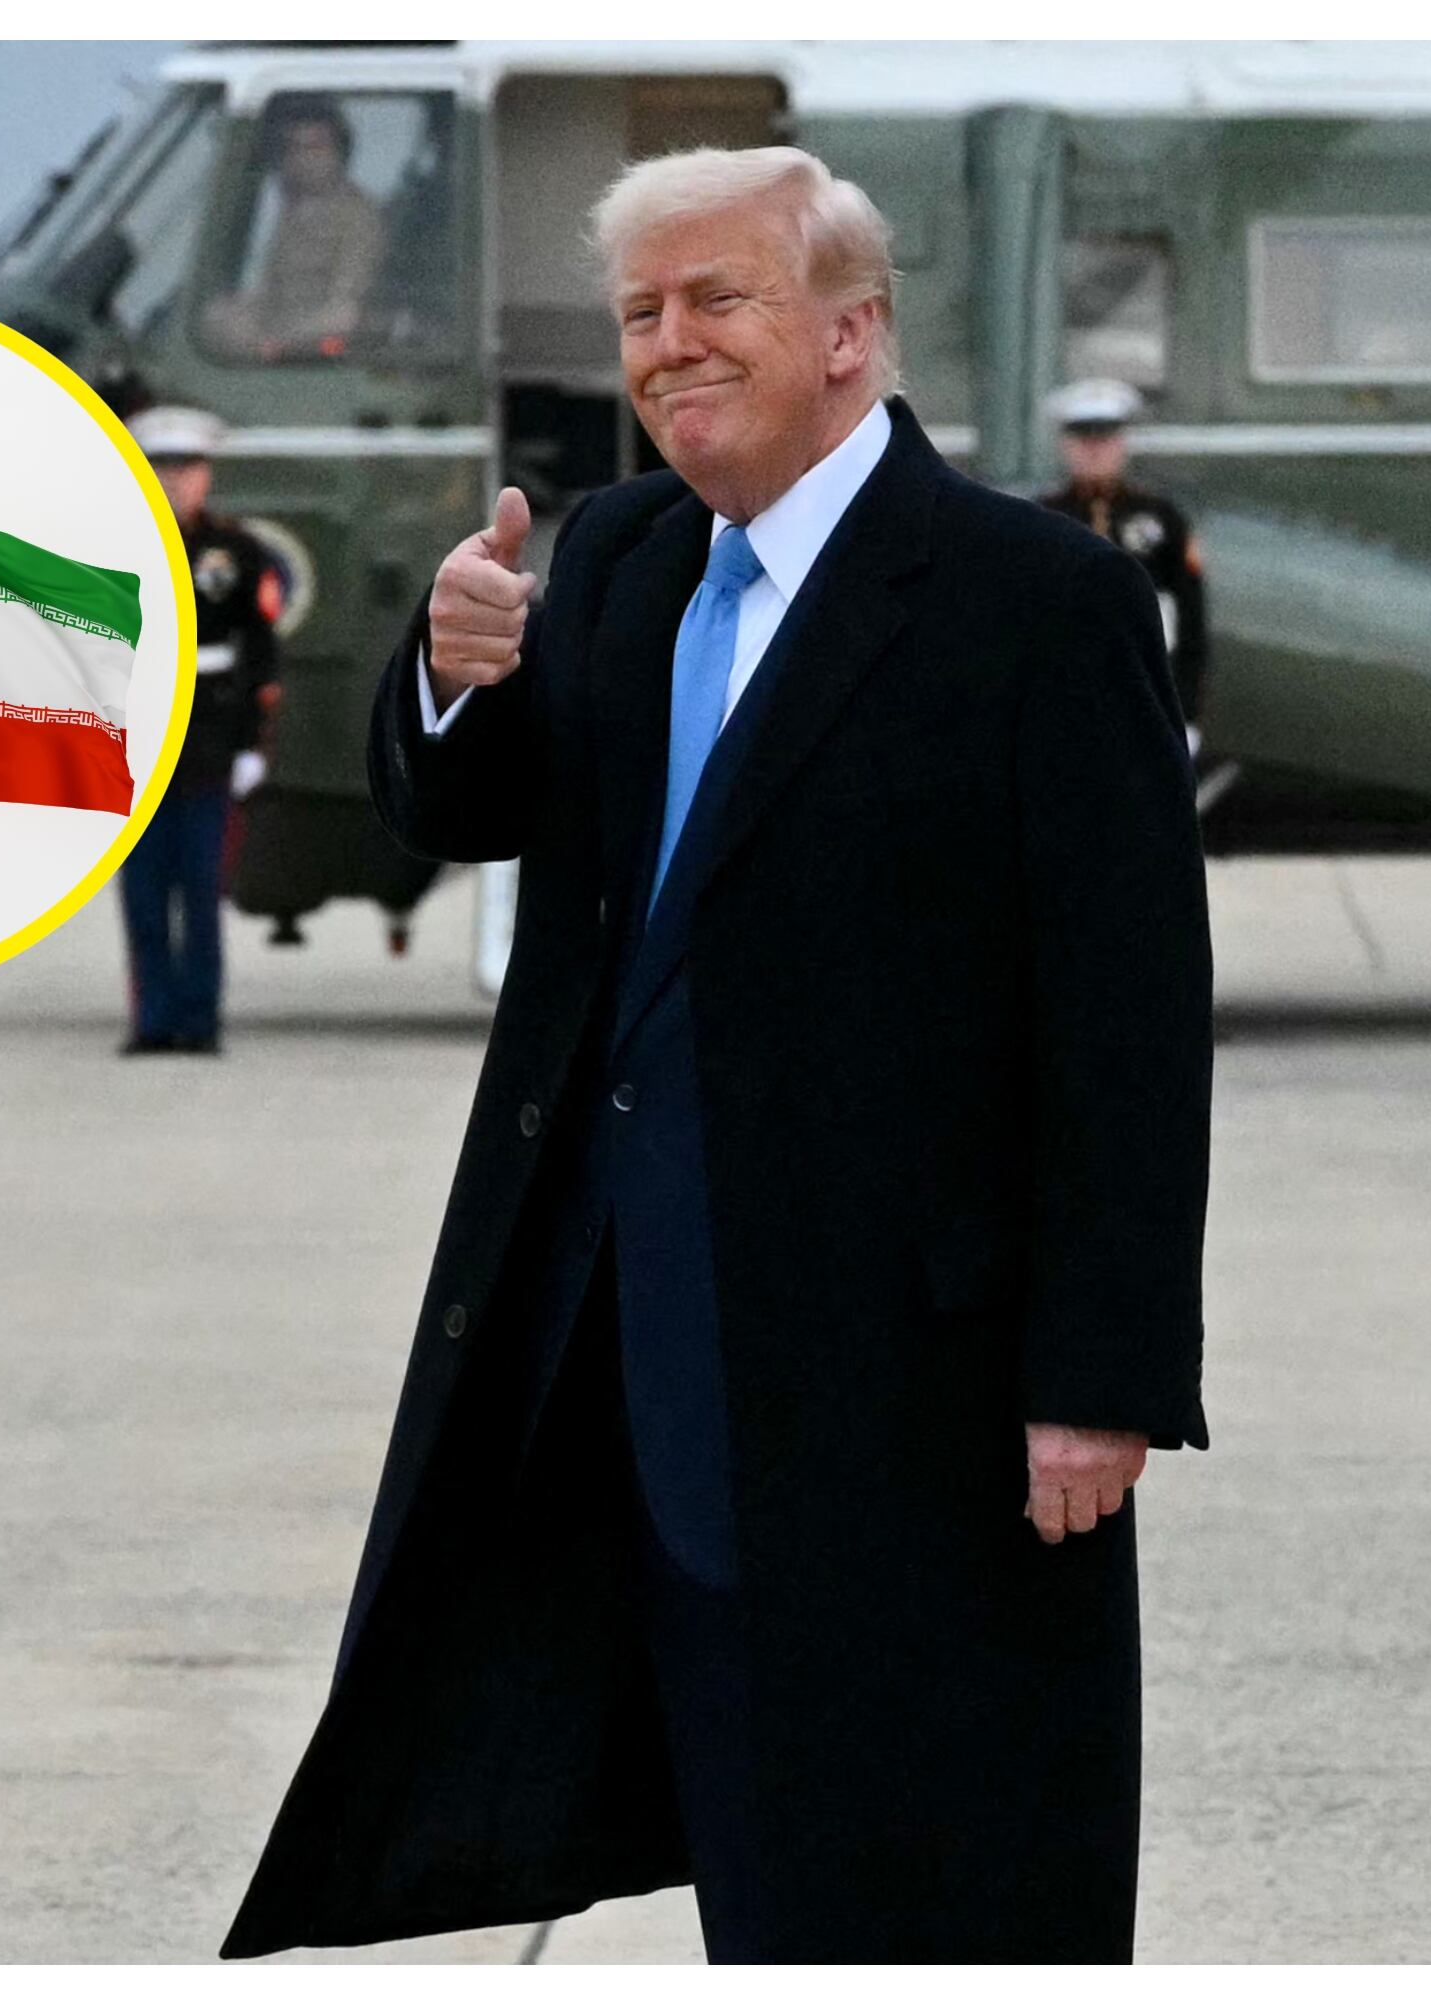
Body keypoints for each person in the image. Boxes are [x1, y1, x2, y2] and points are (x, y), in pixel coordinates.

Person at [223, 146, 1211, 1962]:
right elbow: (465, 803)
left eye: (714, 301)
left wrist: (1104, 1370)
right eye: (637, 314)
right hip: (618, 1357)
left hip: (906, 1387)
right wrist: (446, 675)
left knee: (941, 1857)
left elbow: (1126, 1021)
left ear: (848, 332)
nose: (666, 347)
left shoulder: (1029, 604)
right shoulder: (607, 561)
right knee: (746, 1856)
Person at [115, 405, 279, 1057]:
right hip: (136, 748)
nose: (175, 481)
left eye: (188, 468)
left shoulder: (235, 552)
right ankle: (153, 1020)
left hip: (210, 742)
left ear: (206, 476)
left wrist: (250, 745)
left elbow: (260, 650)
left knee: (202, 897)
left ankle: (201, 1018)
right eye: (162, 467)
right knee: (145, 898)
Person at [1039, 375, 1211, 749]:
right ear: (1065, 445)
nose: (1095, 449)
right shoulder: (1039, 519)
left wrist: (1188, 712)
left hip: (1147, 692)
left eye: (1106, 437)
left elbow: (1191, 622)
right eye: (1083, 438)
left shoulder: (1161, 518)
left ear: (1123, 443)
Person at [201, 100, 387, 358]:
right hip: (281, 337)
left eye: (316, 147)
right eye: (294, 148)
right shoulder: (295, 211)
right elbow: (272, 291)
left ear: (339, 152)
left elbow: (344, 316)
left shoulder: (358, 219)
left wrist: (271, 341)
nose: (304, 158)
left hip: (320, 355)